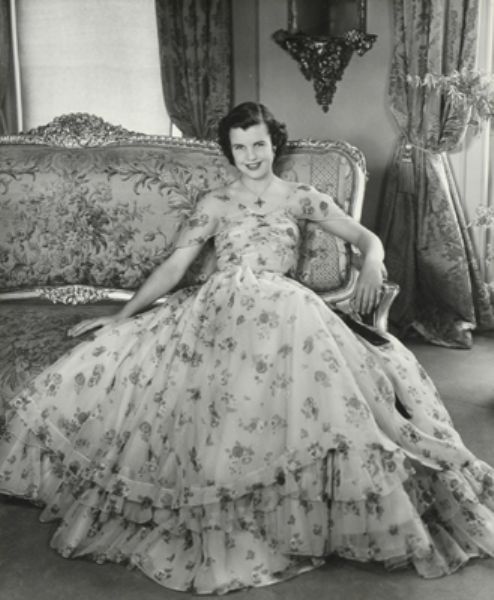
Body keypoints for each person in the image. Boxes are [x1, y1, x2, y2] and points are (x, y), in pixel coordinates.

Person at [1, 102, 494, 595]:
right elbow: (174, 268)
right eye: (240, 148)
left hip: (285, 307)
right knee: (160, 376)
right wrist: (121, 315)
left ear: (274, 144)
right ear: (230, 152)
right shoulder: (216, 203)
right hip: (221, 307)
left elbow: (367, 238)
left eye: (258, 144)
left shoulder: (300, 197)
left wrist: (370, 262)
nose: (251, 156)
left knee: (342, 387)